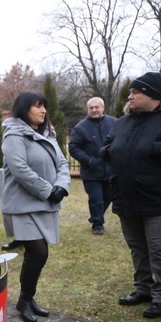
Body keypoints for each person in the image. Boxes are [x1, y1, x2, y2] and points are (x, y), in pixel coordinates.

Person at [1, 92, 70, 322]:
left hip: (44, 202)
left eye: (44, 106)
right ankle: (25, 300)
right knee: (39, 252)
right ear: (24, 108)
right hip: (22, 204)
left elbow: (62, 162)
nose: (43, 111)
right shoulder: (13, 134)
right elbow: (19, 168)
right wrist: (47, 190)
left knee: (37, 254)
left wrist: (61, 186)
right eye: (38, 106)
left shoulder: (47, 133)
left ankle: (27, 299)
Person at [101, 72, 161, 318]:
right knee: (137, 247)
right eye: (131, 92)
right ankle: (143, 289)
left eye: (136, 92)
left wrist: (153, 149)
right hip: (126, 197)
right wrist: (109, 151)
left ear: (154, 96)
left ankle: (160, 297)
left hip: (157, 201)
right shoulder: (123, 122)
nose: (130, 96)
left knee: (158, 250)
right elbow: (107, 146)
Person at [69, 97, 117, 236]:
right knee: (96, 198)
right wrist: (88, 160)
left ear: (103, 107)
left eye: (97, 107)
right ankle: (97, 224)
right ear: (88, 109)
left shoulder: (114, 123)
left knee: (108, 197)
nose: (94, 110)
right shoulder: (80, 127)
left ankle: (96, 215)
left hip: (110, 169)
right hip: (91, 170)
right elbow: (73, 147)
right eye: (91, 108)